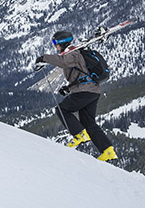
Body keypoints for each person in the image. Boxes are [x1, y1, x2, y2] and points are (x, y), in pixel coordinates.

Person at [36, 30, 117, 161]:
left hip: (85, 91)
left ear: (62, 42)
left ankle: (79, 135)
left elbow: (63, 62)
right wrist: (68, 89)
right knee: (88, 122)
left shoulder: (72, 52)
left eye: (56, 43)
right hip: (92, 91)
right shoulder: (76, 52)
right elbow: (81, 75)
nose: (55, 46)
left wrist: (44, 58)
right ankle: (107, 150)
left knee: (62, 109)